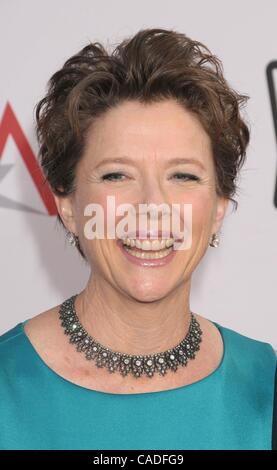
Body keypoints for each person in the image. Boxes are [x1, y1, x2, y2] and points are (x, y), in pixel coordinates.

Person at [0, 27, 276, 450]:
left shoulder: (265, 383)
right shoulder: (7, 383)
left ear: (219, 208)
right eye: (117, 175)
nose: (152, 206)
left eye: (183, 175)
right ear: (69, 206)